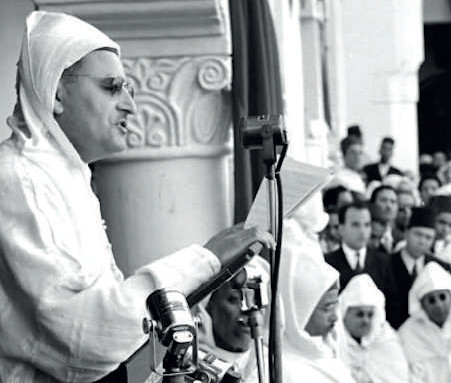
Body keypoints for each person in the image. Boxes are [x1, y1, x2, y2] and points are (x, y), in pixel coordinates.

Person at [0, 11, 275, 382]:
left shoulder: (66, 175)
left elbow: (115, 320)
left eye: (129, 89)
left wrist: (215, 271)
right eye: (112, 87)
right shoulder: (19, 178)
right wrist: (204, 260)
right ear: (56, 94)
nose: (130, 105)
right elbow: (85, 337)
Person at [280, 242, 355, 382]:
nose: (335, 318)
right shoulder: (280, 368)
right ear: (298, 312)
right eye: (327, 308)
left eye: (335, 307)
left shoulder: (325, 348)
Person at [398, 262, 451, 383]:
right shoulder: (408, 333)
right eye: (431, 300)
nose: (438, 305)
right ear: (422, 304)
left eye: (442, 297)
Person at [193, 257, 270, 383]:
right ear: (209, 304)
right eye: (234, 299)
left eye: (256, 300)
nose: (249, 311)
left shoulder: (271, 368)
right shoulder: (186, 363)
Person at [376, 207, 451, 329]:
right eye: (418, 234)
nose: (422, 241)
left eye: (428, 237)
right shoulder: (384, 264)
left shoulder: (440, 268)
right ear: (406, 233)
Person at [338, 274, 409, 383]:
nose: (366, 320)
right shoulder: (334, 343)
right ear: (344, 314)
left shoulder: (388, 342)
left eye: (370, 315)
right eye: (359, 314)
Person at [324, 201, 388, 291]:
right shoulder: (327, 264)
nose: (362, 231)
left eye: (367, 225)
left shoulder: (384, 262)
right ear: (341, 228)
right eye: (355, 225)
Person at [369, 185, 402, 254]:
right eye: (383, 200)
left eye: (393, 202)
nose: (389, 206)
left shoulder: (401, 237)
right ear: (372, 204)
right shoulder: (366, 233)